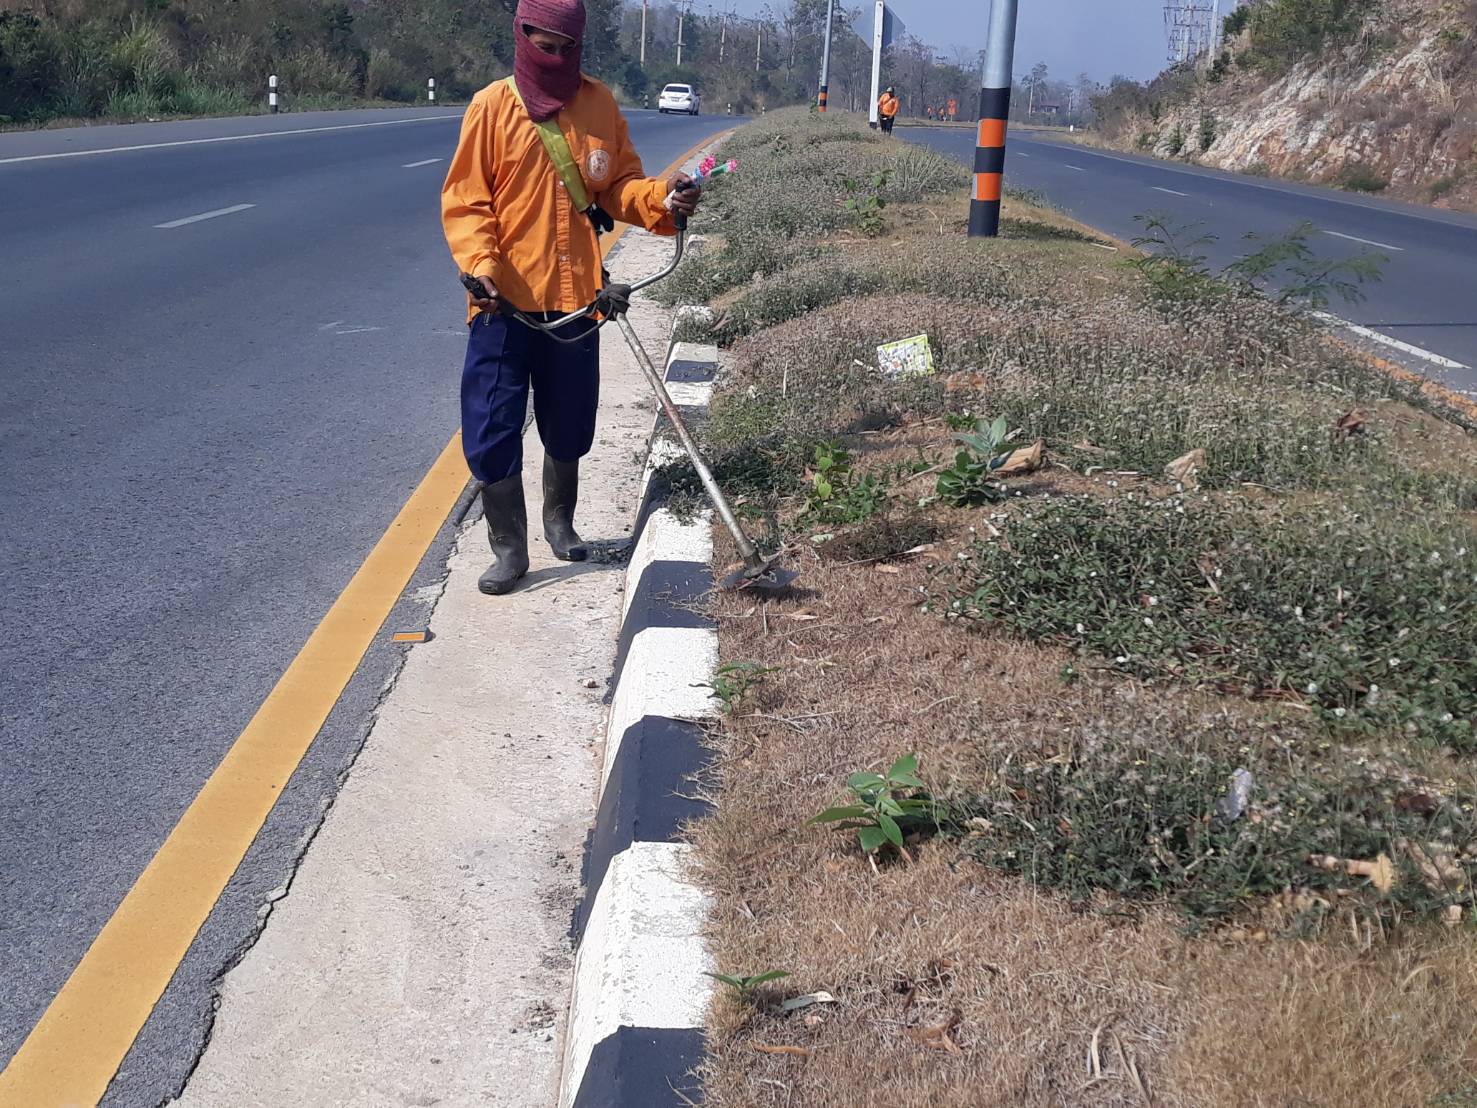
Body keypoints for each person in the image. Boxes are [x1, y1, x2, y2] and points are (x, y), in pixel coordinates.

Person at [441, 0, 701, 595]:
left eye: (567, 49)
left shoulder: (599, 104)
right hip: (502, 303)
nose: (556, 59)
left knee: (571, 418)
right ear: (522, 37)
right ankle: (509, 549)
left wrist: (663, 198)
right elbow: (467, 201)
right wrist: (481, 266)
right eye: (545, 47)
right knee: (492, 423)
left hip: (578, 300)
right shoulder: (491, 107)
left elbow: (619, 186)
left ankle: (560, 522)